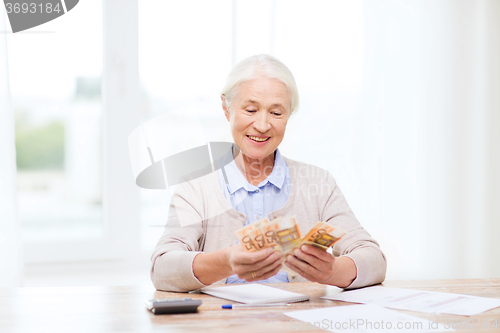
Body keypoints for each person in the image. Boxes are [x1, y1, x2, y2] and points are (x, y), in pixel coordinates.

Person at [151, 54, 386, 292]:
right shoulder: (196, 187)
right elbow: (162, 269)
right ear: (226, 108)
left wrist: (333, 271)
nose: (262, 125)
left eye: (276, 113)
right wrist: (225, 261)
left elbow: (374, 260)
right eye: (251, 110)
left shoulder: (319, 183)